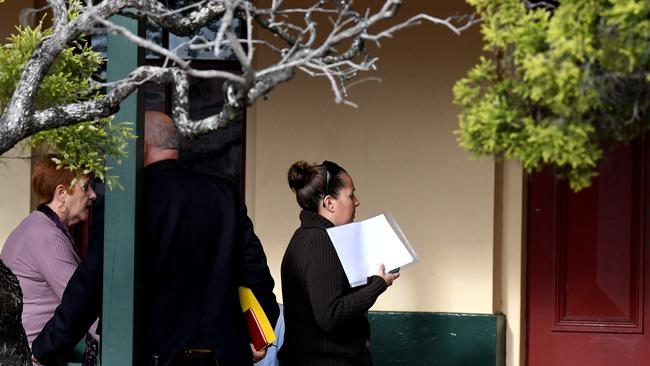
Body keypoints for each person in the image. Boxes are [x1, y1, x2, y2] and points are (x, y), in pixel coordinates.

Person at [32, 111, 279, 366]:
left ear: (142, 145)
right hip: (223, 357)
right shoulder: (224, 195)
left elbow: (91, 285)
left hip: (154, 356)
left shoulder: (126, 201)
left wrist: (44, 350)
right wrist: (258, 336)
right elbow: (257, 274)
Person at [279, 160, 399, 366]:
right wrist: (379, 284)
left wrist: (371, 280)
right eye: (351, 195)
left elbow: (331, 299)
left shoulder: (308, 237)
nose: (357, 202)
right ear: (329, 203)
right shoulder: (320, 241)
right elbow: (331, 314)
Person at [0, 155, 98, 363]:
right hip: (29, 358)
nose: (93, 195)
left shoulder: (36, 225)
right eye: (86, 187)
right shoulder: (46, 235)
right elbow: (81, 303)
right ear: (62, 194)